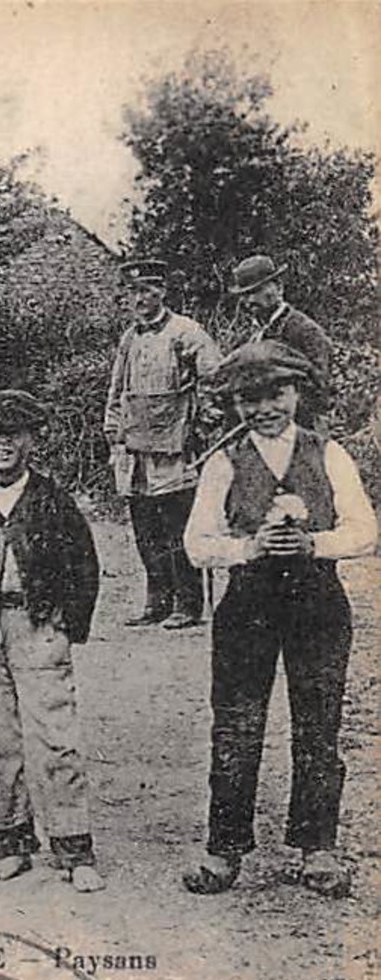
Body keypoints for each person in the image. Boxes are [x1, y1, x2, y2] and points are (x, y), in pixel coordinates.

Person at [181, 341, 375, 899]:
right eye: (251, 398)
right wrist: (248, 547)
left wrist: (316, 543)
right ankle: (224, 849)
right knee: (237, 726)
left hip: (317, 604)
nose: (265, 408)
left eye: (276, 394)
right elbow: (196, 544)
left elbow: (365, 531)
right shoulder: (224, 462)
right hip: (248, 608)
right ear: (236, 404)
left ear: (297, 393)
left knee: (318, 725)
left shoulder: (329, 454)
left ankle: (318, 847)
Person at [0, 391, 104, 892]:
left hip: (35, 630)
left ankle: (74, 849)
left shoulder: (53, 501)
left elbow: (84, 566)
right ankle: (11, 841)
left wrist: (66, 624)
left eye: (15, 433)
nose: (3, 443)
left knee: (54, 739)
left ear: (32, 440)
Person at [103, 259, 224, 630]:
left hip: (175, 447)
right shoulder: (130, 338)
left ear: (163, 292)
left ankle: (188, 604)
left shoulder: (186, 332)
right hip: (136, 448)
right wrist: (112, 432)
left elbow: (214, 378)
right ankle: (157, 600)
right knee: (146, 527)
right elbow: (117, 389)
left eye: (147, 291)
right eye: (133, 292)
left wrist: (202, 422)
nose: (140, 299)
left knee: (178, 525)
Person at [227, 254, 335, 426]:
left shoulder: (304, 331)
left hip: (299, 430)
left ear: (279, 287)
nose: (249, 301)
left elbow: (321, 392)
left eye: (256, 291)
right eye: (245, 294)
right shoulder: (249, 337)